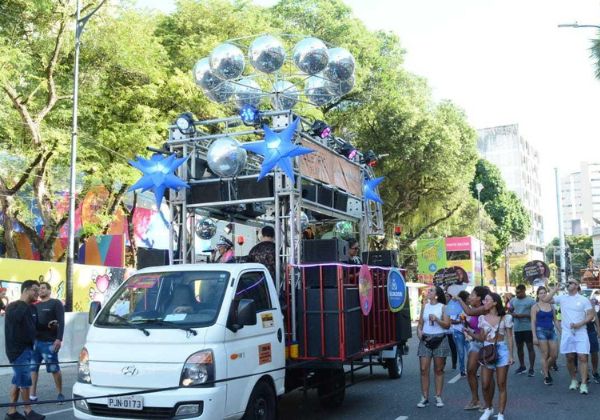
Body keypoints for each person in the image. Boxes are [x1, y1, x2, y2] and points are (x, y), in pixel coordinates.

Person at [541, 278, 595, 394]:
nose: (568, 284)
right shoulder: (562, 298)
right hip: (567, 332)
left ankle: (584, 384)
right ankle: (574, 380)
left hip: (581, 332)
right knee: (569, 357)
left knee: (583, 357)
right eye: (568, 282)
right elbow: (545, 299)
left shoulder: (584, 299)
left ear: (576, 286)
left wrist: (580, 324)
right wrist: (554, 289)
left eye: (571, 282)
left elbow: (590, 315)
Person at [4, 279, 46, 420]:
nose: (38, 293)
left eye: (39, 290)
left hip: (29, 349)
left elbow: (35, 327)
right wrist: (24, 302)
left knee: (18, 381)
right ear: (26, 290)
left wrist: (49, 327)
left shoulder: (33, 308)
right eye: (35, 290)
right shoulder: (13, 307)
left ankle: (11, 412)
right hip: (17, 350)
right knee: (24, 380)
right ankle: (28, 411)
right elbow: (17, 319)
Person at [475, 292, 514, 420]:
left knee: (501, 383)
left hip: (502, 350)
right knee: (485, 384)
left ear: (495, 303)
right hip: (487, 350)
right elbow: (481, 338)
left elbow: (509, 337)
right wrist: (478, 333)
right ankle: (488, 408)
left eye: (487, 300)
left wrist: (511, 355)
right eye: (484, 300)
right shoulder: (482, 318)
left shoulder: (505, 318)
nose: (484, 302)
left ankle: (501, 413)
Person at [455, 286, 492, 410]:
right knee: (470, 370)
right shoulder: (472, 308)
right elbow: (469, 318)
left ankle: (488, 404)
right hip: (476, 342)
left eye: (472, 295)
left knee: (487, 377)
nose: (469, 297)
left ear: (479, 298)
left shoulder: (485, 308)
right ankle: (475, 400)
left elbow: (470, 313)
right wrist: (466, 326)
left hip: (487, 344)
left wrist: (460, 300)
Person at [416, 285, 451, 408]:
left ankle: (438, 396)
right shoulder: (424, 306)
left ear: (436, 294)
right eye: (428, 290)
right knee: (424, 369)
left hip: (440, 339)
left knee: (438, 369)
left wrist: (436, 319)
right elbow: (420, 323)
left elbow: (447, 325)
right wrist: (419, 332)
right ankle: (424, 397)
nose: (428, 291)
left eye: (431, 290)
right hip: (425, 340)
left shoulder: (444, 307)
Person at [30, 282, 65, 403]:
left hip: (50, 343)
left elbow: (61, 321)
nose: (41, 290)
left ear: (49, 291)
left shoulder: (56, 303)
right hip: (35, 343)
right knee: (33, 368)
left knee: (54, 369)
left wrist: (59, 339)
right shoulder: (35, 305)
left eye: (44, 288)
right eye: (39, 289)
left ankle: (60, 393)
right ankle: (32, 396)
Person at [530, 286, 560, 385]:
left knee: (554, 355)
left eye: (544, 293)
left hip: (551, 331)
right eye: (541, 293)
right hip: (540, 331)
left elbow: (555, 320)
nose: (543, 294)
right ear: (537, 295)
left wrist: (561, 331)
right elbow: (533, 322)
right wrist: (534, 336)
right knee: (545, 354)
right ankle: (546, 376)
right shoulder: (535, 307)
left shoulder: (551, 306)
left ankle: (545, 368)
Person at [509, 284, 536, 376]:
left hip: (528, 327)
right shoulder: (513, 300)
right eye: (516, 292)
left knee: (530, 347)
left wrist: (524, 315)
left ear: (524, 291)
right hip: (517, 328)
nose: (517, 294)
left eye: (519, 292)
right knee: (519, 347)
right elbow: (510, 310)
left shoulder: (531, 301)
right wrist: (512, 314)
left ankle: (531, 368)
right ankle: (522, 366)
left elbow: (535, 315)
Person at [586, 297, 600, 384]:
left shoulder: (589, 303)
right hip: (581, 332)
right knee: (584, 355)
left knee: (594, 353)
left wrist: (598, 329)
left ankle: (595, 372)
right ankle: (585, 374)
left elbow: (595, 318)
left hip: (591, 331)